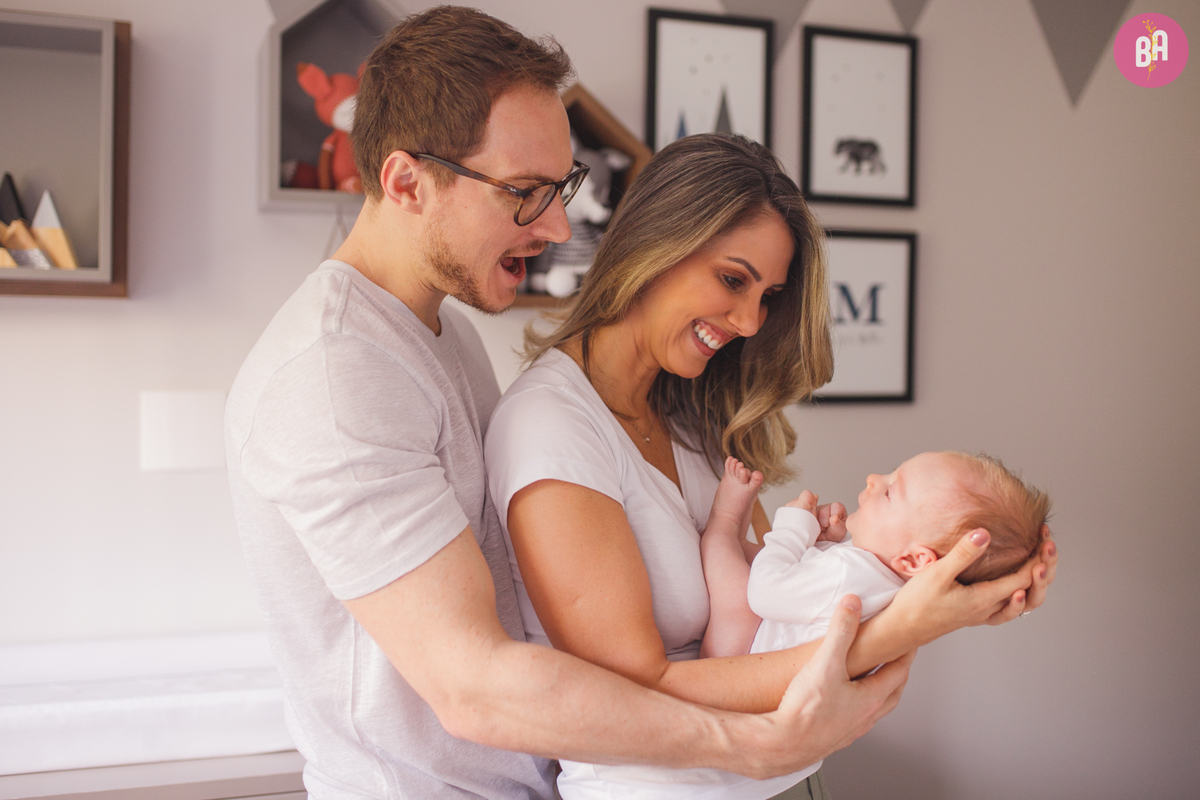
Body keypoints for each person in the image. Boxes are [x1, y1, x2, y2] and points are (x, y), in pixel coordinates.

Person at [226, 7, 1056, 799]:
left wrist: (928, 581)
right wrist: (782, 722)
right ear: (407, 182)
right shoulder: (337, 378)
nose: (558, 229)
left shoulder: (445, 337)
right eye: (524, 191)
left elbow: (749, 617)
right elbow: (473, 686)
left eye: (562, 187)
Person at [484, 133, 1058, 800]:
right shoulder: (551, 428)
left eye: (768, 295)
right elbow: (635, 690)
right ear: (654, 245)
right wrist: (898, 630)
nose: (752, 322)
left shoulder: (694, 414)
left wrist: (961, 585)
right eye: (733, 280)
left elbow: (776, 613)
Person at [541, 451, 1049, 798]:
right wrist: (824, 545)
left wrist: (794, 527)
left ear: (916, 559)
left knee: (731, 570)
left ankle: (724, 518)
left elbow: (770, 591)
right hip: (774, 728)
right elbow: (817, 598)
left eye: (892, 492)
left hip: (738, 662)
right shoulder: (892, 586)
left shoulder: (852, 572)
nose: (875, 480)